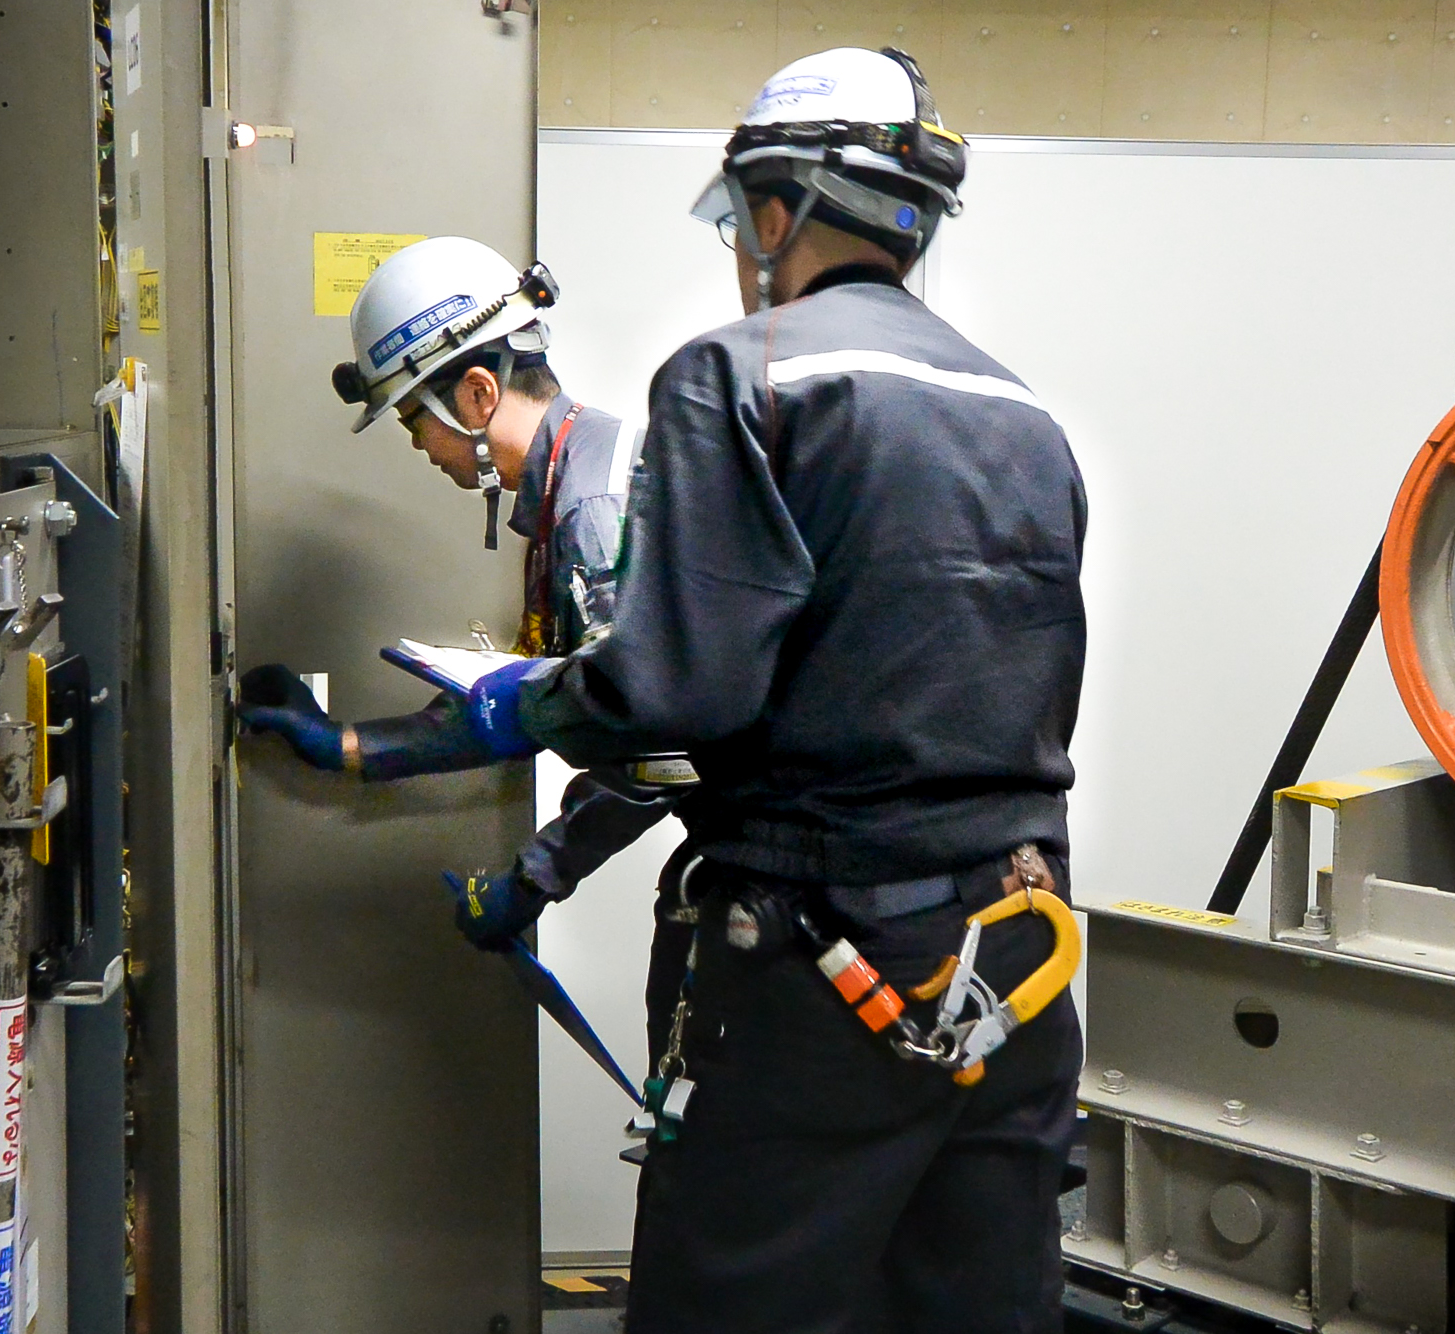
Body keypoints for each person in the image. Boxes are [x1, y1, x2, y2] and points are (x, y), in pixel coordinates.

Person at [458, 47, 1090, 1334]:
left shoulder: (738, 376)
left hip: (819, 976)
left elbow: (670, 691)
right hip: (1020, 965)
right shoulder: (1024, 416)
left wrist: (510, 705)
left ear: (773, 209)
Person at [236, 235, 682, 955]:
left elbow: (658, 750)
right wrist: (351, 746)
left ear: (477, 392)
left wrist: (531, 882)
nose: (418, 446)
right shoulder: (579, 476)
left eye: (414, 420)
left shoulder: (590, 512)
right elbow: (540, 702)